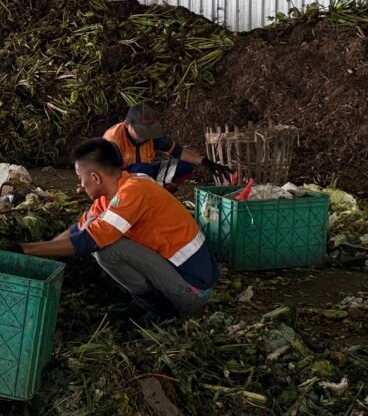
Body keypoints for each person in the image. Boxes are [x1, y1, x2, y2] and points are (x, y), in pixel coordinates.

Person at [20, 138, 219, 321]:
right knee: (99, 233)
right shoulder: (113, 193)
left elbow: (89, 240)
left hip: (192, 291)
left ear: (96, 178)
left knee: (105, 248)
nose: (80, 185)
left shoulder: (133, 191)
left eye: (80, 177)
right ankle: (147, 304)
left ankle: (162, 310)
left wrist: (26, 250)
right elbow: (79, 230)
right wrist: (39, 254)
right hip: (174, 276)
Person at [103, 103, 231, 192]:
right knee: (142, 169)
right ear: (127, 124)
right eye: (141, 131)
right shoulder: (113, 141)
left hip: (145, 175)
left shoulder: (151, 135)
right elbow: (106, 175)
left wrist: (205, 161)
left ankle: (159, 195)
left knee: (184, 167)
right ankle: (143, 199)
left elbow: (178, 151)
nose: (146, 135)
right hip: (120, 182)